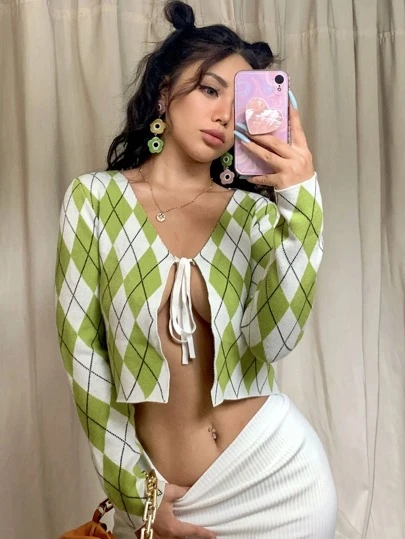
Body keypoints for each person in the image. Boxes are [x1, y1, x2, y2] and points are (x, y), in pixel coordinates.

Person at [55, 1, 337, 537]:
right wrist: (136, 493)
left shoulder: (255, 214)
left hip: (280, 478)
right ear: (165, 93)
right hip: (167, 495)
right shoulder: (93, 201)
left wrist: (302, 199)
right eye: (209, 90)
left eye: (240, 103)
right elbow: (83, 359)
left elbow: (276, 340)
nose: (224, 116)